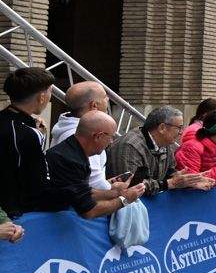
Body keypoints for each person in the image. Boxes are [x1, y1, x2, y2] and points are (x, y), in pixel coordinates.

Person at [32, 112, 146, 219]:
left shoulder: (74, 151)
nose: (111, 142)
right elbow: (89, 211)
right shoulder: (70, 159)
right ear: (98, 136)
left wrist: (116, 192)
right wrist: (125, 199)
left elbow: (80, 191)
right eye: (110, 137)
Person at [108, 106, 211, 196]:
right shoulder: (130, 146)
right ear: (162, 128)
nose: (181, 132)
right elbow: (131, 186)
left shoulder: (165, 144)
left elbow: (169, 172)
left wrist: (188, 181)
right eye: (179, 128)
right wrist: (170, 184)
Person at [2, 66, 56, 217]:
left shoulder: (12, 122)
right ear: (41, 97)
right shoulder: (26, 133)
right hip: (16, 213)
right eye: (50, 91)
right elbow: (37, 184)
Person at [50, 81, 113, 191]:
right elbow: (93, 182)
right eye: (104, 97)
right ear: (94, 105)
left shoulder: (66, 126)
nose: (107, 100)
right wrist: (118, 192)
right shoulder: (82, 135)